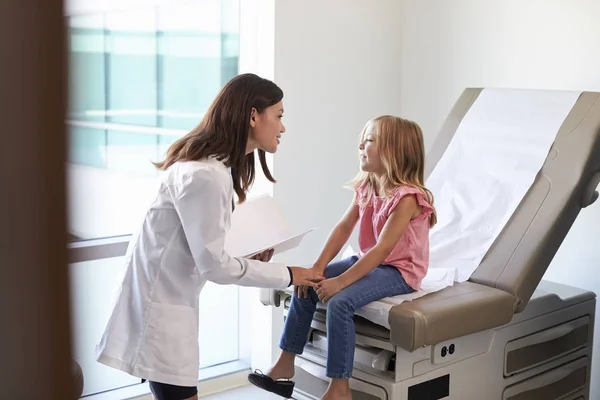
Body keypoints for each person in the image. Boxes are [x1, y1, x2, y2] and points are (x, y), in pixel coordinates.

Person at [94, 73, 324, 400]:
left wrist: (245, 256)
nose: (283, 127)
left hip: (165, 304)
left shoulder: (209, 167)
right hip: (161, 313)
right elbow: (213, 266)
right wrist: (288, 274)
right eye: (280, 116)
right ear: (253, 115)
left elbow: (199, 243)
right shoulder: (207, 175)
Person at [248, 115, 437, 400]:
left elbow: (382, 249)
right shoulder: (368, 186)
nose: (361, 145)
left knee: (340, 303)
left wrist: (341, 282)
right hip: (369, 259)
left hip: (399, 271)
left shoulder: (408, 198)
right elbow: (343, 228)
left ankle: (339, 388)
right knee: (307, 282)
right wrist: (317, 268)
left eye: (369, 140)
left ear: (394, 150)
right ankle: (285, 364)